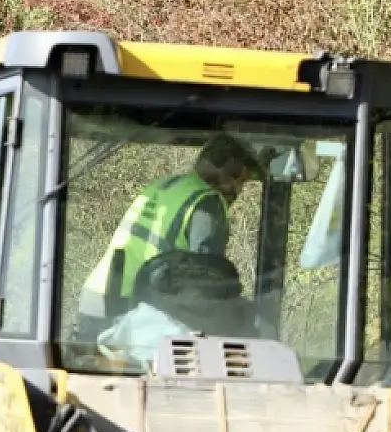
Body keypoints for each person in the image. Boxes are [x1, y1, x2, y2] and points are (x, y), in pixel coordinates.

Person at [77, 133, 263, 327]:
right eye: (239, 180)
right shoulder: (207, 203)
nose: (237, 190)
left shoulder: (165, 186)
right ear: (227, 173)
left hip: (98, 296)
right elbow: (207, 285)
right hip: (133, 309)